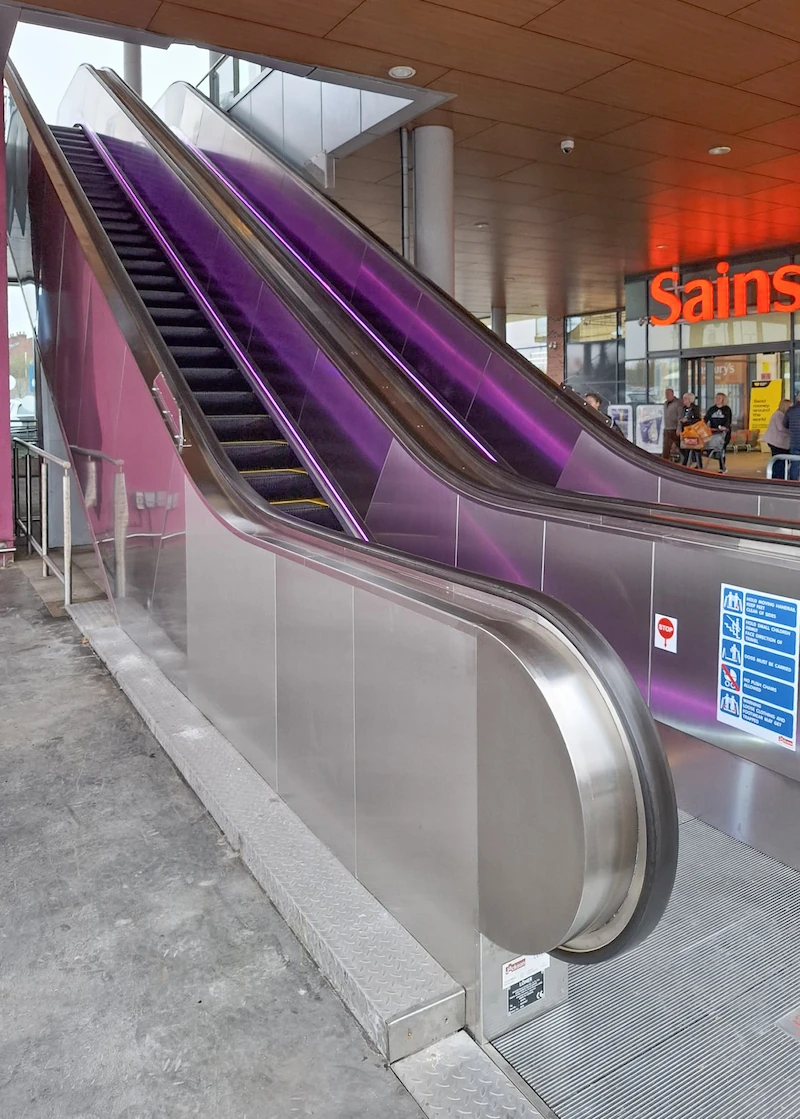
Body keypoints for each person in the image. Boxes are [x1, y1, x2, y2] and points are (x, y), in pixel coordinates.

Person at [703, 392, 732, 474]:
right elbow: (706, 419)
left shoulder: (727, 409)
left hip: (723, 433)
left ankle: (722, 467)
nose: (717, 399)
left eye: (719, 398)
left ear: (723, 399)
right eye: (716, 398)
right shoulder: (712, 409)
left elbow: (728, 421)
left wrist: (725, 427)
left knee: (721, 449)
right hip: (713, 432)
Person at [764, 398, 791, 479]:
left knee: (778, 460)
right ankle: (777, 477)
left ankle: (777, 476)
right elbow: (781, 428)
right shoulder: (778, 415)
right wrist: (792, 430)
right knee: (779, 461)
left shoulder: (779, 414)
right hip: (776, 443)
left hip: (776, 442)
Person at [678, 392, 702, 468]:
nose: (683, 400)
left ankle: (694, 463)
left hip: (693, 431)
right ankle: (688, 462)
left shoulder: (695, 408)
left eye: (685, 398)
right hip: (685, 431)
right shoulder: (684, 408)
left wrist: (688, 420)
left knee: (694, 448)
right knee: (685, 447)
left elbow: (698, 420)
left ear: (690, 399)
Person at [785, 393, 800, 481]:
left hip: (795, 442)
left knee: (794, 463)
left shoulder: (790, 410)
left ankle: (793, 482)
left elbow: (785, 424)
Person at [662, 388, 680, 461]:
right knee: (666, 447)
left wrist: (679, 428)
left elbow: (680, 416)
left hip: (675, 428)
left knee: (680, 446)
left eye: (668, 394)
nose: (667, 395)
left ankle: (686, 459)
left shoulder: (678, 403)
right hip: (667, 428)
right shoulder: (665, 403)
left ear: (672, 394)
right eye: (666, 394)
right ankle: (664, 461)